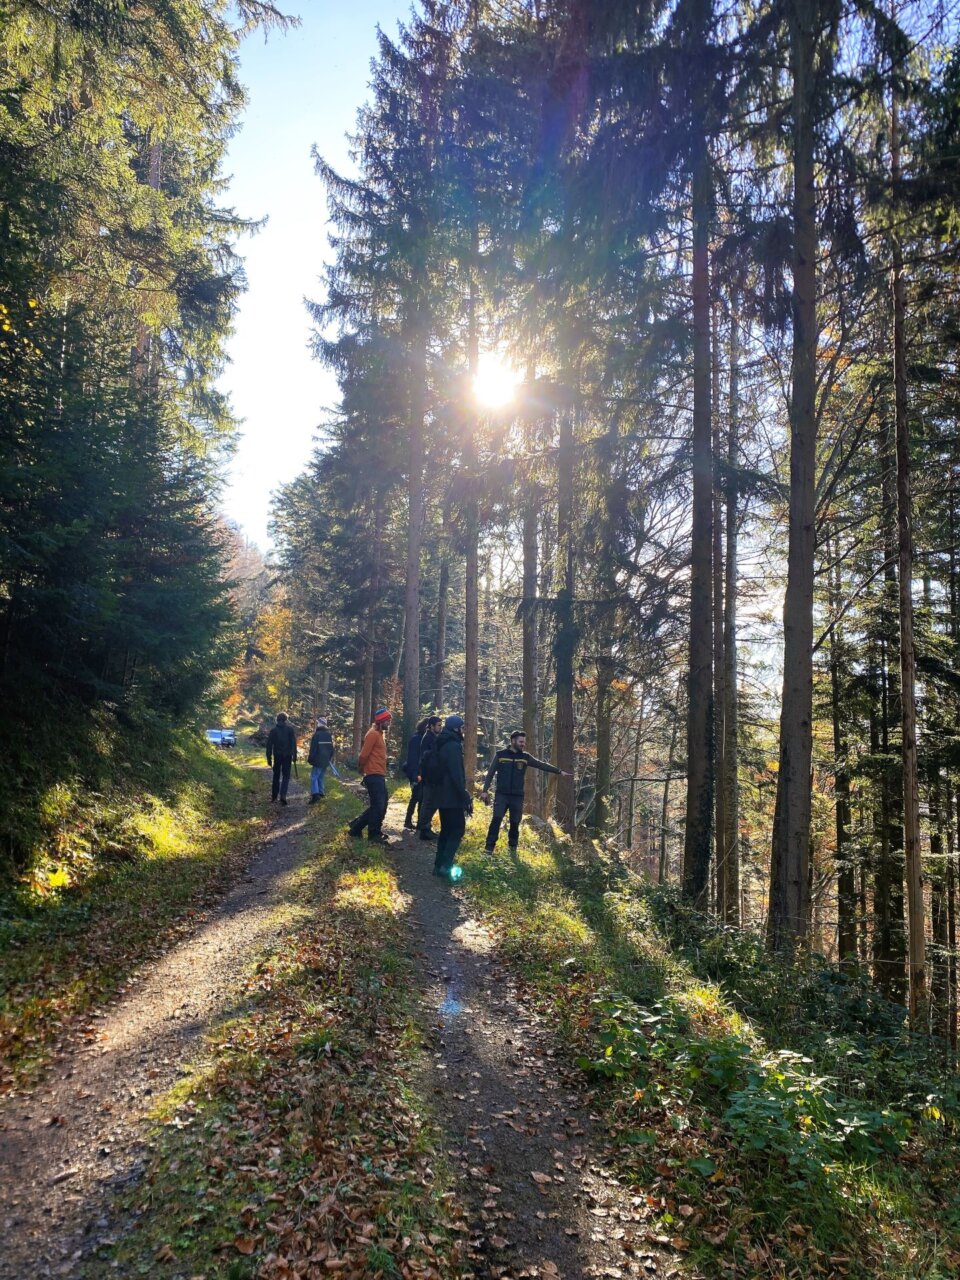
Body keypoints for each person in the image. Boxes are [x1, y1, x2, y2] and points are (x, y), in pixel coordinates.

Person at [481, 730, 571, 853]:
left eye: (524, 742)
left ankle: (512, 849)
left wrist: (559, 771)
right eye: (521, 742)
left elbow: (541, 765)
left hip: (517, 796)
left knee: (515, 822)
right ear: (513, 741)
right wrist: (485, 790)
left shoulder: (525, 757)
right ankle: (489, 848)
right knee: (496, 820)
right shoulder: (500, 755)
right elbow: (490, 773)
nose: (523, 744)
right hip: (501, 794)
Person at [431, 714, 473, 877]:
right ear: (455, 729)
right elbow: (456, 774)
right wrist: (465, 796)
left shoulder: (441, 742)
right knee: (457, 829)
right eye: (462, 728)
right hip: (452, 796)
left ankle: (438, 866)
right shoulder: (453, 746)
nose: (463, 731)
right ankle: (446, 866)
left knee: (446, 830)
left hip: (441, 794)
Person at [348, 708, 392, 845]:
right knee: (378, 805)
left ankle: (357, 827)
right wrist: (362, 769)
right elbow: (363, 755)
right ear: (381, 721)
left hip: (379, 774)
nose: (389, 723)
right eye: (387, 720)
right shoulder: (372, 734)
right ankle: (373, 834)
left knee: (381, 804)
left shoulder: (379, 734)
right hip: (373, 775)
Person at [416, 714, 443, 841]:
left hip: (431, 776)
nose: (440, 727)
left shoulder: (431, 737)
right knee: (428, 803)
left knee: (430, 802)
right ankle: (424, 829)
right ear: (432, 726)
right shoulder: (429, 738)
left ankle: (425, 827)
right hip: (429, 776)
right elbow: (428, 758)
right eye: (438, 725)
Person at [266, 712, 298, 806]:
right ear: (285, 720)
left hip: (277, 756)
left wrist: (269, 758)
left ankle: (274, 796)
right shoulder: (290, 730)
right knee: (286, 776)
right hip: (287, 756)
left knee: (276, 775)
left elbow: (269, 745)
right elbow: (293, 743)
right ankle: (283, 795)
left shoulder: (273, 731)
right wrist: (294, 755)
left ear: (277, 720)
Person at [403, 718, 429, 830]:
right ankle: (408, 820)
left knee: (420, 798)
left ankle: (418, 822)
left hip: (420, 772)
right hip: (415, 773)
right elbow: (413, 758)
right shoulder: (416, 739)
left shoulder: (422, 738)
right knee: (416, 797)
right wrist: (415, 775)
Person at [307, 716, 335, 804]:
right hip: (326, 760)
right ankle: (321, 793)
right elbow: (331, 749)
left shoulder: (317, 735)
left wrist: (310, 759)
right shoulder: (328, 735)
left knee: (314, 777)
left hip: (318, 760)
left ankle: (315, 795)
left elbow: (313, 749)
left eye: (318, 723)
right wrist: (329, 758)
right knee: (321, 777)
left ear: (319, 724)